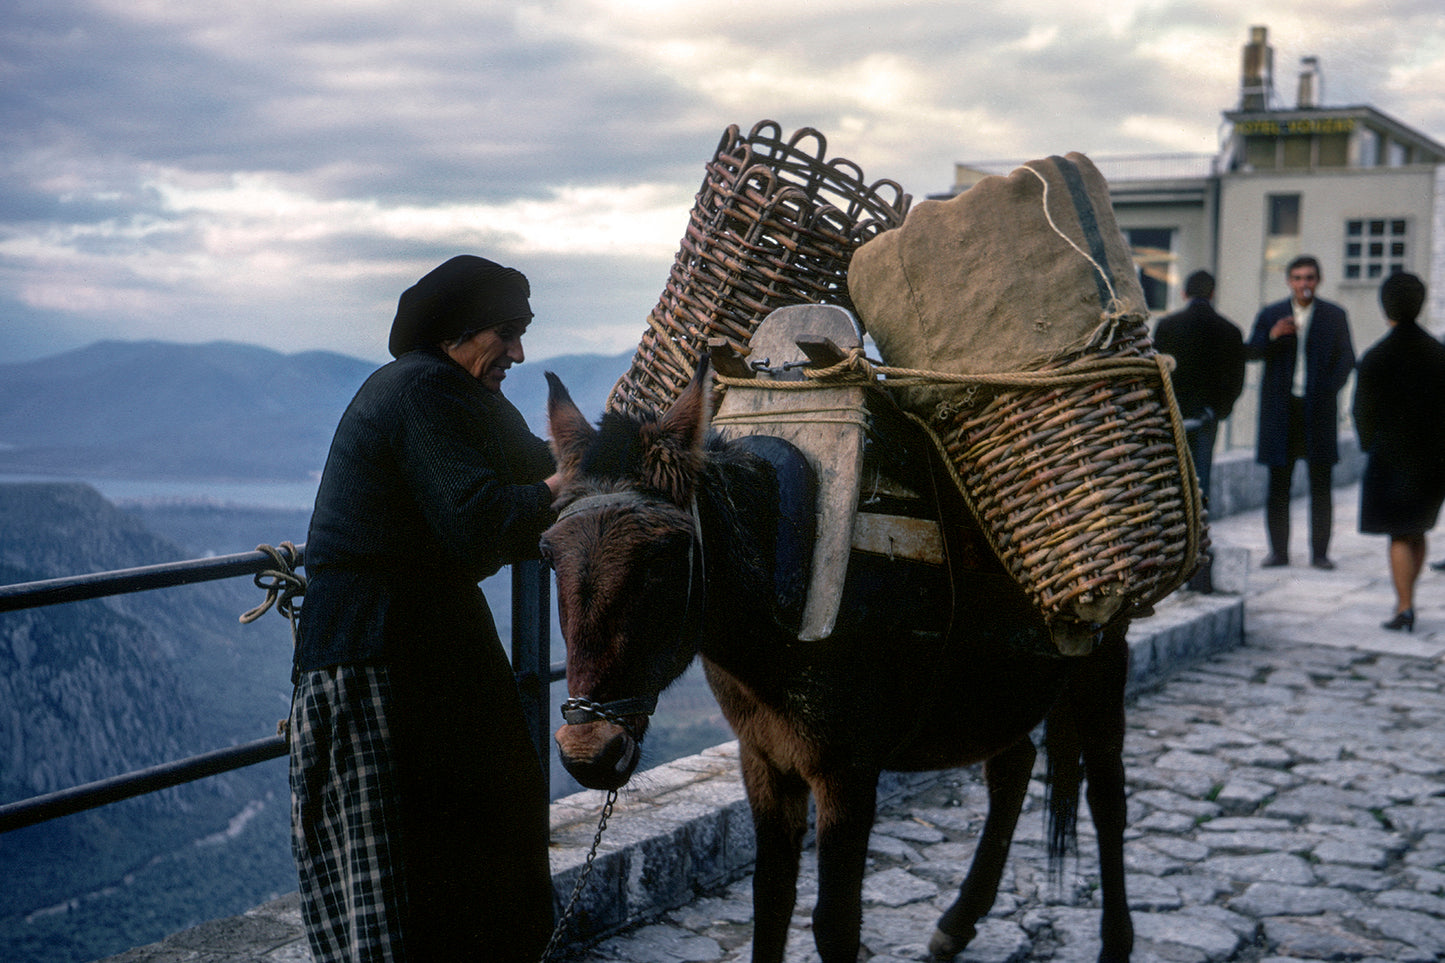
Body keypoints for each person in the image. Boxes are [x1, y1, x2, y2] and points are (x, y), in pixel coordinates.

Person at [289, 255, 561, 962]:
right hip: (372, 654)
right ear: (459, 331)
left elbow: (535, 460)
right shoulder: (422, 392)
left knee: (488, 819)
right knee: (408, 860)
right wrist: (570, 486)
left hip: (424, 645)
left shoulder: (457, 393)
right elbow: (478, 519)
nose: (519, 353)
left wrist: (603, 453)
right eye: (507, 332)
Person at [1245, 255, 1355, 569]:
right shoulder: (1272, 314)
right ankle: (1278, 552)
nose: (1303, 284)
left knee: (1321, 485)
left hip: (1317, 411)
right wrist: (1273, 336)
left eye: (1309, 278)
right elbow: (1251, 351)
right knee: (1278, 485)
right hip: (1282, 412)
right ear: (1289, 282)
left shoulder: (1334, 315)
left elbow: (1347, 358)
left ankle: (1320, 554)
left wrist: (1328, 390)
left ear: (1317, 281)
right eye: (1297, 278)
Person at [1352, 273, 1445, 631]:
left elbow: (1362, 413)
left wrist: (1370, 445)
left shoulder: (1376, 356)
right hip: (1433, 459)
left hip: (1391, 459)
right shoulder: (1439, 354)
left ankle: (1404, 606)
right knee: (1417, 529)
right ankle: (1408, 600)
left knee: (1399, 534)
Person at [1154, 269, 1246, 592]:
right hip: (1206, 418)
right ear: (1213, 293)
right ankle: (1198, 569)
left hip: (1171, 418)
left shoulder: (1166, 326)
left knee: (1171, 489)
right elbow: (1236, 381)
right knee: (1200, 489)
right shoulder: (1230, 330)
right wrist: (1218, 410)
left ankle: (1170, 566)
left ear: (1183, 293)